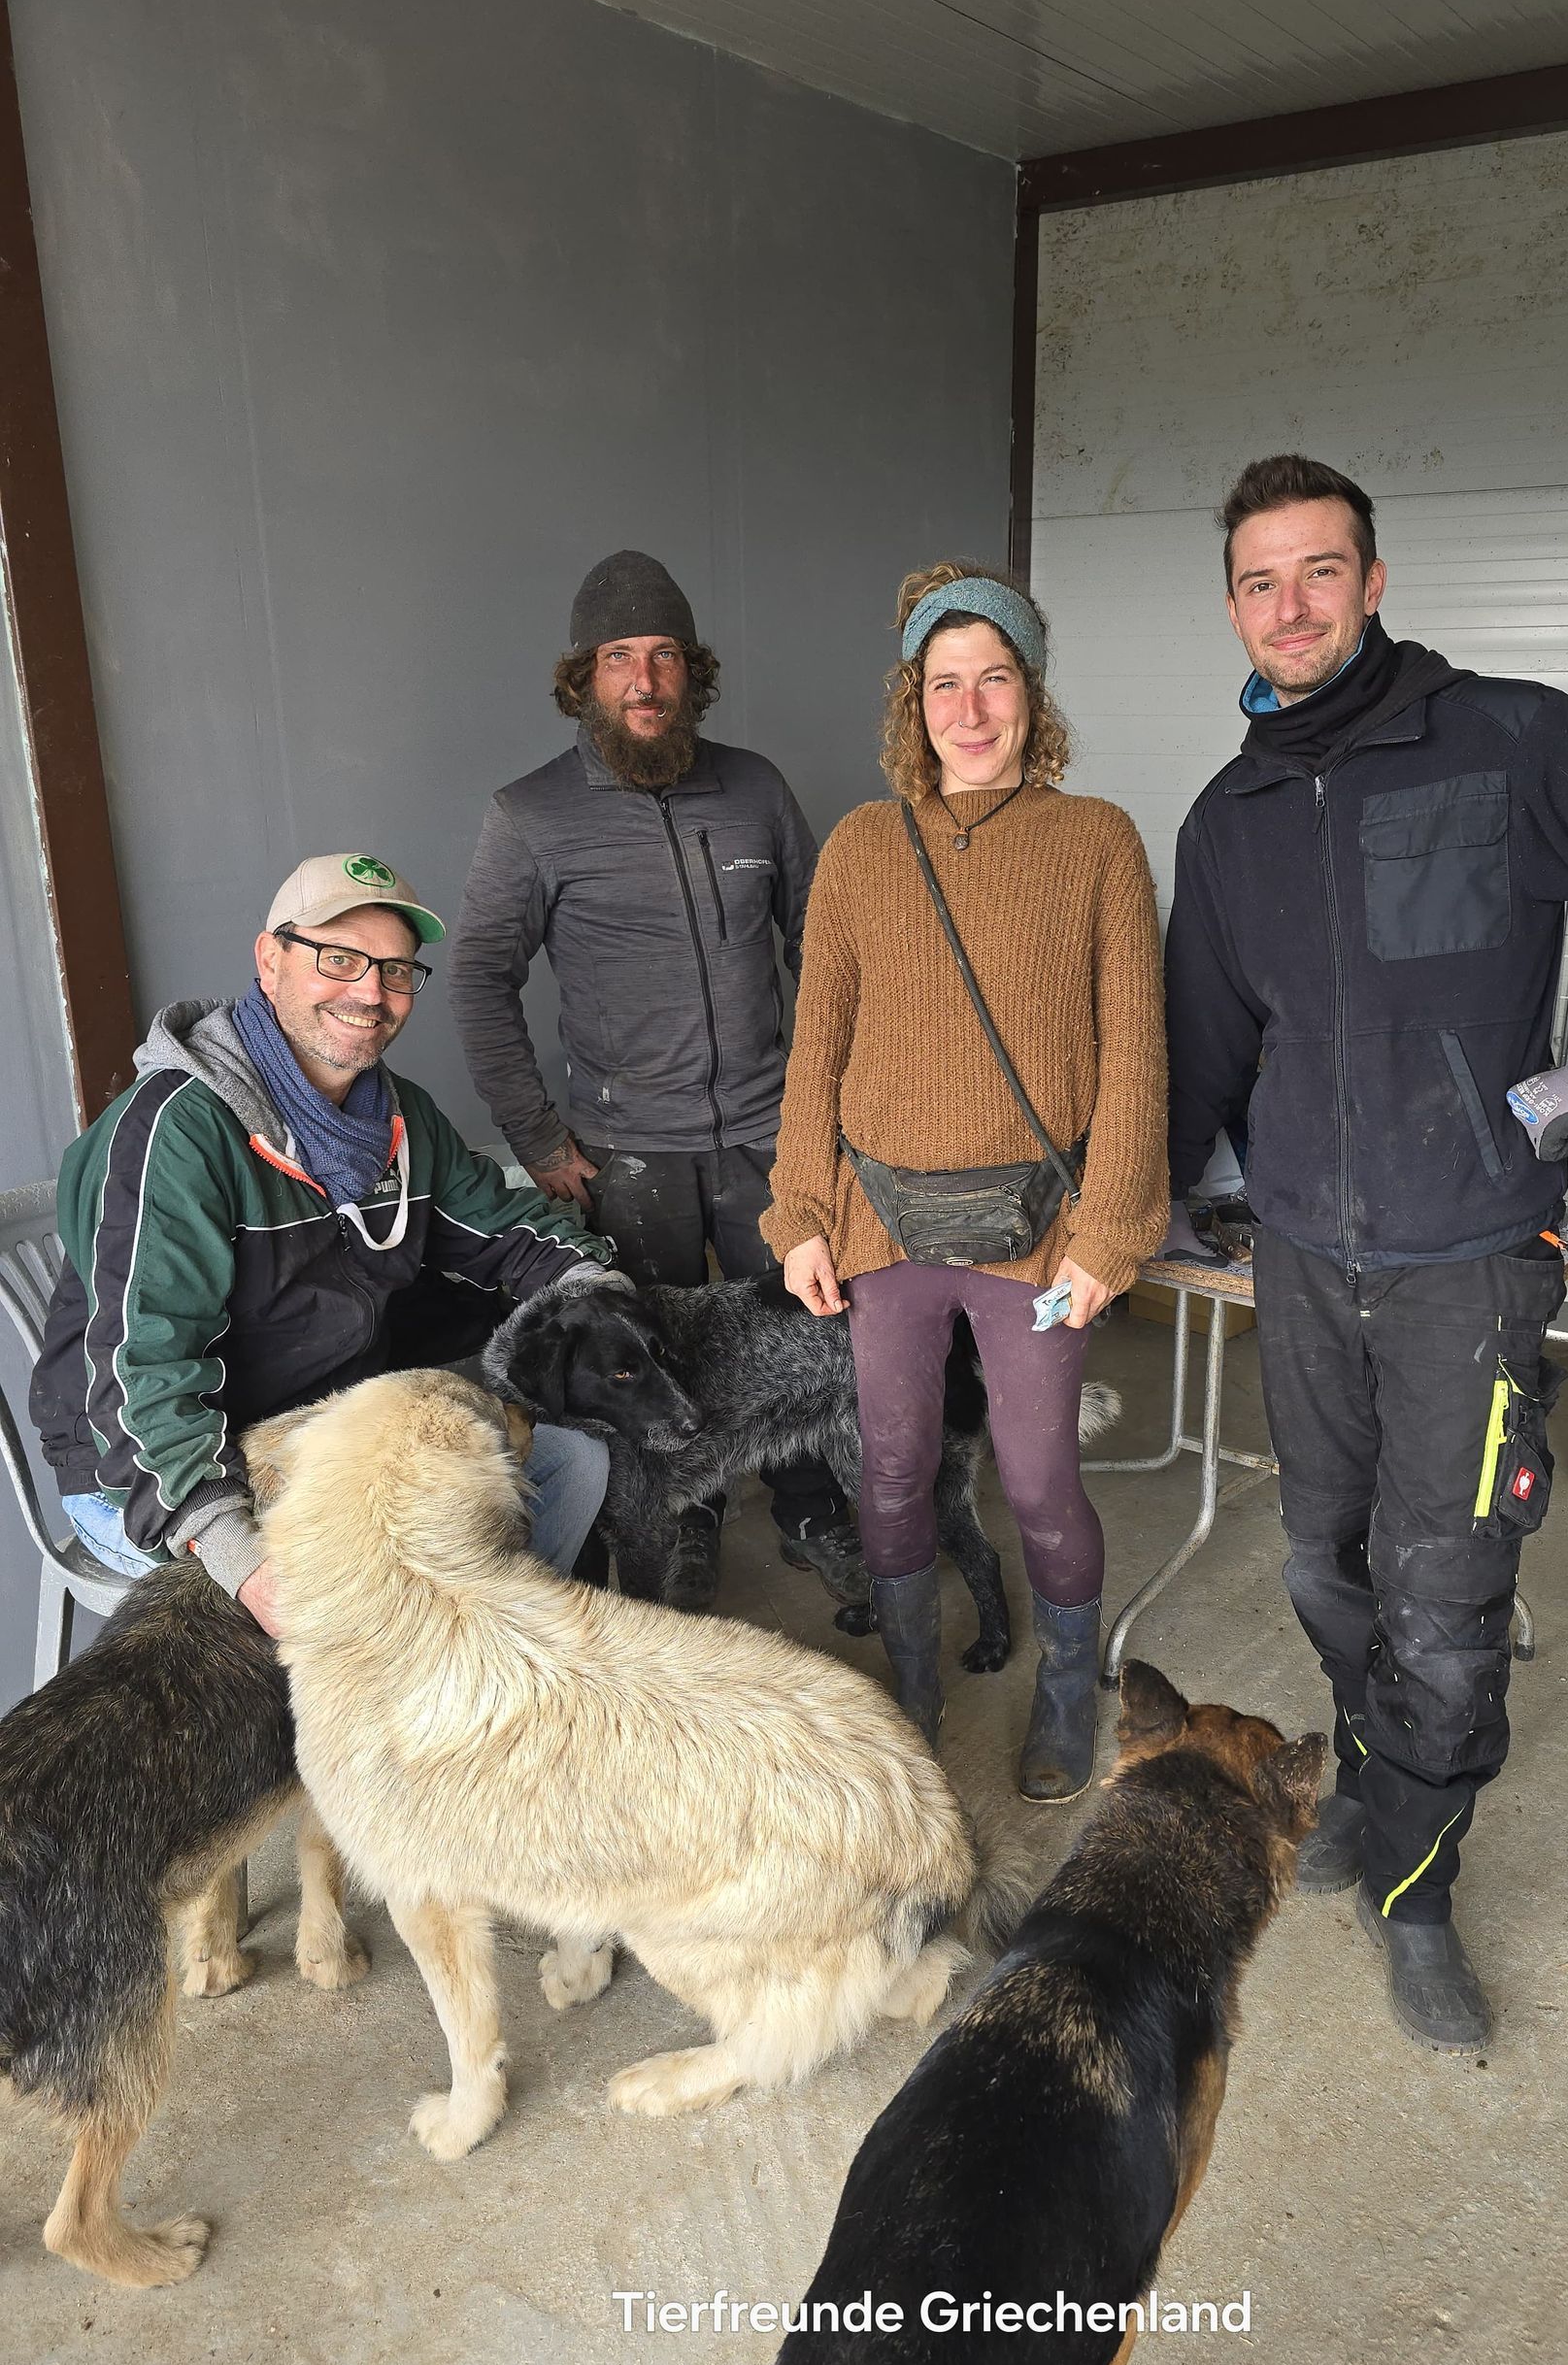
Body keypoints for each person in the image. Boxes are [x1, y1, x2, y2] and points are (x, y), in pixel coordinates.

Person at [1165, 453, 1568, 2049]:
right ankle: (1375, 1790)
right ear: (1232, 607)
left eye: (1320, 571)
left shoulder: (1505, 740)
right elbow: (1204, 1036)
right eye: (1259, 581)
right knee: (1323, 1559)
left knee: (1446, 1595)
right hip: (1305, 1257)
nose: (1291, 605)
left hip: (1471, 1256)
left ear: (1372, 583)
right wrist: (1154, 1196)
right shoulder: (1228, 818)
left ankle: (1420, 1891)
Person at [763, 562, 1168, 1800]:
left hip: (1039, 1232)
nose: (971, 708)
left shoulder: (1096, 841)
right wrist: (800, 1210)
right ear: (915, 700)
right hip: (882, 1222)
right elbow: (817, 1044)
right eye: (946, 682)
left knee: (1038, 1479)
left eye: (995, 679)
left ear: (1032, 694)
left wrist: (1110, 1227)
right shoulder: (861, 846)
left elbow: (1135, 1051)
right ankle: (914, 1690)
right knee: (891, 1470)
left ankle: (1066, 1690)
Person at [31, 853, 617, 1637]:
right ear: (270, 960)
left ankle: (483, 1689)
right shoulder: (176, 1131)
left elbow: (506, 1229)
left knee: (571, 1464)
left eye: (397, 971)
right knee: (389, 1583)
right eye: (339, 959)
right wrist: (236, 1550)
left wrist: (602, 1294)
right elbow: (142, 1372)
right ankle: (413, 1701)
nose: (371, 993)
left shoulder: (401, 1119)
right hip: (154, 1468)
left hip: (320, 1431)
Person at [450, 550, 863, 1613]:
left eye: (665, 654)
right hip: (627, 1150)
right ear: (583, 677)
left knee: (806, 1335)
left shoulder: (755, 788)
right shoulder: (530, 815)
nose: (645, 679)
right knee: (656, 1354)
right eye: (619, 657)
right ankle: (687, 1525)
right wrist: (539, 1138)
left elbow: (826, 943)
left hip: (771, 1133)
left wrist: (833, 1105)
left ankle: (813, 1508)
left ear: (693, 671)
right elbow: (480, 981)